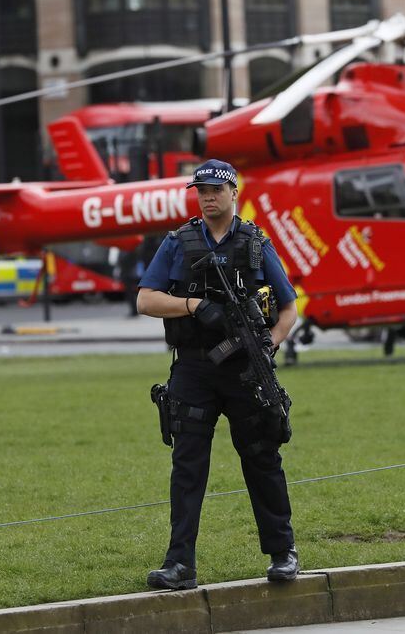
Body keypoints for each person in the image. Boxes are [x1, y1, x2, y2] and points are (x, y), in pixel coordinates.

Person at [137, 159, 300, 590]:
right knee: (188, 466)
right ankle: (180, 565)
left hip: (246, 370)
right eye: (200, 191)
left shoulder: (255, 242)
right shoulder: (177, 242)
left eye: (215, 190)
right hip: (194, 369)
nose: (207, 197)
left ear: (233, 193)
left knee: (263, 459)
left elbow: (288, 308)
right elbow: (146, 300)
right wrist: (192, 306)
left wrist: (268, 346)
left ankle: (283, 554)